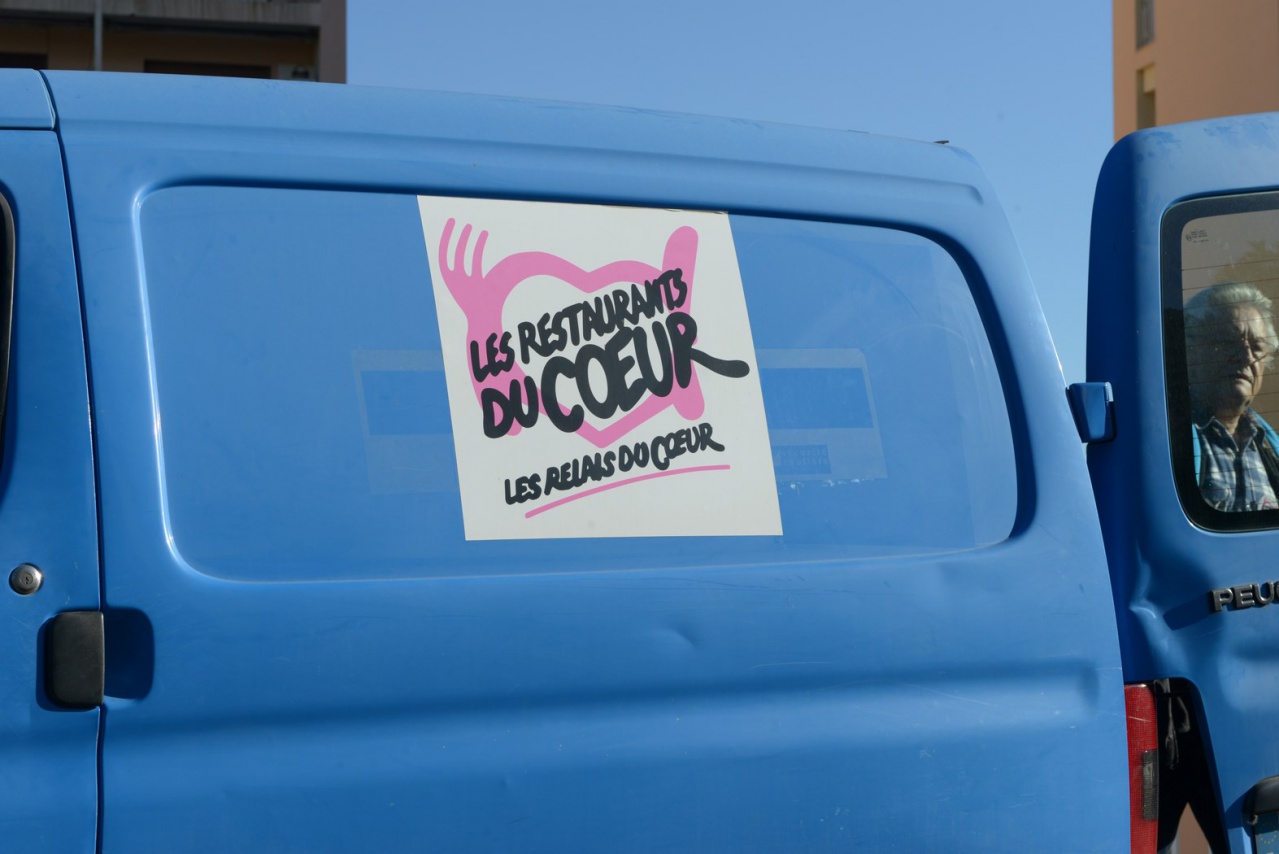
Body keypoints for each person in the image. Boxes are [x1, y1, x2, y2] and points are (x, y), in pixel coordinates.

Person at [1185, 282, 1279, 511]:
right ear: (1192, 350)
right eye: (1228, 342)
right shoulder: (1170, 439)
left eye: (1257, 347)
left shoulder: (1270, 449)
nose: (1246, 357)